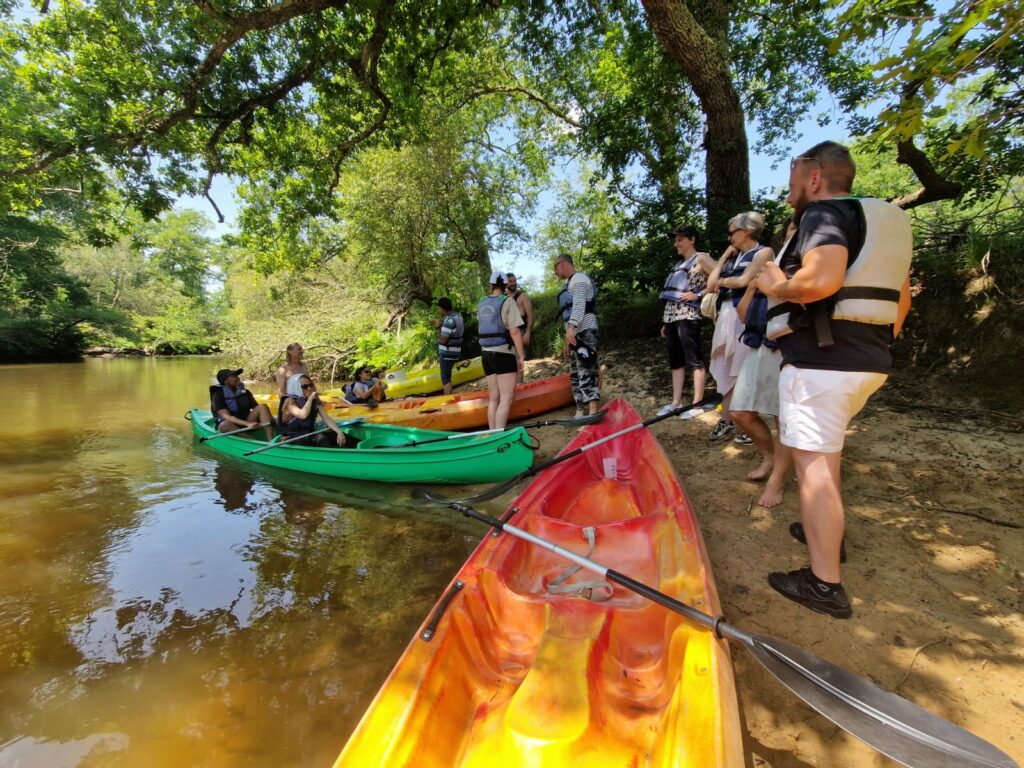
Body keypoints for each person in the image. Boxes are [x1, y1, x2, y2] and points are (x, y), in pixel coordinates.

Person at [755, 141, 913, 619]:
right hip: (867, 360)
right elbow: (901, 303)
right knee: (826, 459)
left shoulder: (823, 214)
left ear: (815, 178)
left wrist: (775, 287)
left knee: (816, 471)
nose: (789, 194)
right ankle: (823, 531)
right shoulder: (880, 223)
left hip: (821, 363)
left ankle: (824, 583)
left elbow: (820, 282)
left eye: (793, 182)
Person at [731, 218, 797, 507]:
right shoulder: (769, 270)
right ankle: (770, 456)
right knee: (741, 412)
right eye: (793, 230)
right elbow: (744, 315)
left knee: (784, 419)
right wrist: (752, 287)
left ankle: (778, 479)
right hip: (759, 345)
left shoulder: (804, 271)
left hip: (789, 349)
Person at [705, 212, 775, 444]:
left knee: (744, 370)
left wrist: (722, 282)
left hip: (746, 317)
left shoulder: (763, 252)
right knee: (725, 368)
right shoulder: (735, 256)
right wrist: (725, 256)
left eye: (733, 231)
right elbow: (710, 282)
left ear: (745, 231)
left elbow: (743, 281)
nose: (729, 236)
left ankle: (749, 422)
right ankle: (727, 419)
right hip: (726, 316)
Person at [657, 225, 716, 417]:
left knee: (693, 359)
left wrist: (698, 293)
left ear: (692, 240)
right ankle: (676, 402)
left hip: (688, 316)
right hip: (672, 317)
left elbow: (721, 280)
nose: (677, 244)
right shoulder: (678, 265)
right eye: (676, 240)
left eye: (680, 239)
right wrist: (666, 323)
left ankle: (697, 404)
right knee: (676, 360)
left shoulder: (701, 258)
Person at [477, 270, 526, 429]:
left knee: (493, 398)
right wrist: (521, 355)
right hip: (503, 353)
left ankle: (493, 433)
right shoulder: (508, 301)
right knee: (506, 399)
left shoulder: (481, 303)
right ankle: (498, 436)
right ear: (505, 285)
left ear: (490, 285)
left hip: (486, 354)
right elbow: (515, 331)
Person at [554, 254, 600, 416]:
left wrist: (571, 328)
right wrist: (568, 338)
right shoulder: (568, 284)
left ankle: (593, 409)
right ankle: (580, 408)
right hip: (574, 333)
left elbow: (579, 306)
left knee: (586, 368)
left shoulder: (579, 279)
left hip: (585, 330)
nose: (555, 272)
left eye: (555, 267)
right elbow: (570, 311)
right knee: (575, 371)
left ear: (563, 264)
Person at [279, 373, 357, 447]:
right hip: (292, 438)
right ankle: (331, 457)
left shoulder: (314, 401)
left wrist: (339, 432)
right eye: (305, 387)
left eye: (310, 385)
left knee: (333, 434)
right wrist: (310, 399)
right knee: (320, 438)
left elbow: (327, 419)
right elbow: (303, 414)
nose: (309, 388)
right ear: (296, 387)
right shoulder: (289, 402)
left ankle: (360, 446)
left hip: (308, 435)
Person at [210, 368, 274, 441]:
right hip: (232, 424)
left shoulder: (245, 392)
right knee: (223, 425)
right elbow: (227, 417)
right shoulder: (218, 395)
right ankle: (254, 441)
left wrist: (271, 417)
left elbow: (256, 407)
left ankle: (270, 440)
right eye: (233, 376)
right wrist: (248, 424)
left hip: (247, 420)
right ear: (225, 381)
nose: (237, 377)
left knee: (263, 406)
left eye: (237, 375)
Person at [430, 297, 464, 395]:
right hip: (456, 351)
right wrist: (441, 324)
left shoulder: (448, 321)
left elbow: (443, 340)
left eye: (439, 308)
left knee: (445, 379)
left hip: (447, 353)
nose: (438, 310)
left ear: (442, 308)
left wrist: (437, 327)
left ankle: (448, 400)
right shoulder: (458, 316)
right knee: (447, 377)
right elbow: (451, 330)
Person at [506, 273, 534, 381]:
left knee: (519, 361)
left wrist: (528, 332)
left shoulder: (523, 296)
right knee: (510, 362)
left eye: (514, 280)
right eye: (510, 281)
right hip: (508, 334)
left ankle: (520, 385)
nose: (513, 283)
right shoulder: (503, 299)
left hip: (521, 331)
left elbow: (530, 316)